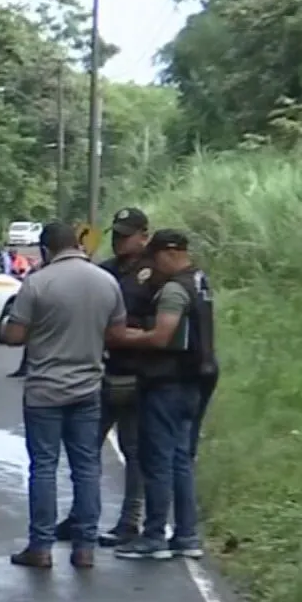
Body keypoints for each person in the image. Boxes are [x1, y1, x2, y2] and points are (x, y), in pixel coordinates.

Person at [0, 221, 127, 569]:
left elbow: (15, 336)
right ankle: (85, 548)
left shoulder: (38, 283)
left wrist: (3, 327)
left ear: (45, 249)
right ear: (77, 245)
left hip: (44, 391)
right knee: (86, 468)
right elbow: (116, 334)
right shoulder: (106, 281)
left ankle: (40, 547)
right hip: (88, 389)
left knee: (44, 468)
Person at [110, 229, 216, 561]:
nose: (153, 268)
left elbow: (161, 337)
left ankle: (154, 535)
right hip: (194, 381)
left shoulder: (173, 289)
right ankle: (186, 536)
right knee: (181, 460)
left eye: (155, 260)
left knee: (157, 461)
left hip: (167, 383)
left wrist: (124, 337)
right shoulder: (199, 281)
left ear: (169, 253)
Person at [83, 206, 153, 546]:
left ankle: (130, 520)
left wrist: (130, 332)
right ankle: (83, 515)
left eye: (127, 236)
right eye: (117, 235)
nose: (119, 241)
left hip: (139, 372)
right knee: (86, 447)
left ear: (144, 236)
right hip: (103, 370)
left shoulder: (154, 274)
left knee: (134, 451)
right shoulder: (105, 271)